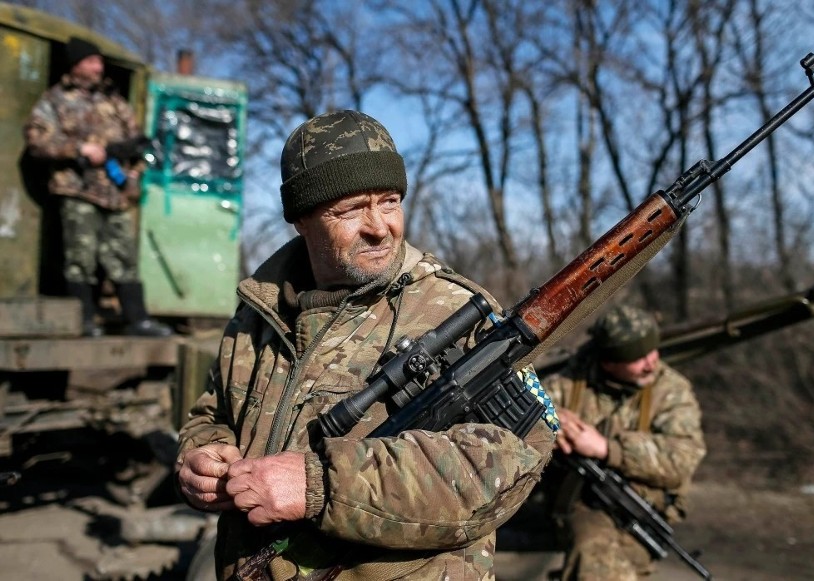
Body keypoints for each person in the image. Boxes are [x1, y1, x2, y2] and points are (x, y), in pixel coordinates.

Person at [175, 110, 556, 580]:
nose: (380, 226)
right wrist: (201, 457)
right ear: (302, 219)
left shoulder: (457, 314)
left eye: (390, 201)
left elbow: (510, 462)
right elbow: (212, 416)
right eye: (350, 210)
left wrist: (321, 485)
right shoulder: (258, 313)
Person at [543, 305, 706, 581]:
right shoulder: (571, 381)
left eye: (652, 350)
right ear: (608, 363)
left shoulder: (671, 391)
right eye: (637, 357)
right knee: (595, 554)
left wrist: (607, 449)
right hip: (575, 504)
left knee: (603, 562)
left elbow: (683, 457)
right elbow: (531, 405)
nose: (651, 362)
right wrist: (549, 424)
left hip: (641, 504)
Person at [24, 36, 172, 337]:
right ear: (76, 65)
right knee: (81, 258)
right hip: (77, 190)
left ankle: (137, 320)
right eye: (91, 61)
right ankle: (83, 322)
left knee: (124, 257)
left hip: (114, 193)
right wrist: (80, 149)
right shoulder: (55, 99)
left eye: (99, 61)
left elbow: (138, 144)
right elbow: (36, 140)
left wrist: (133, 176)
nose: (97, 67)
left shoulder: (114, 102)